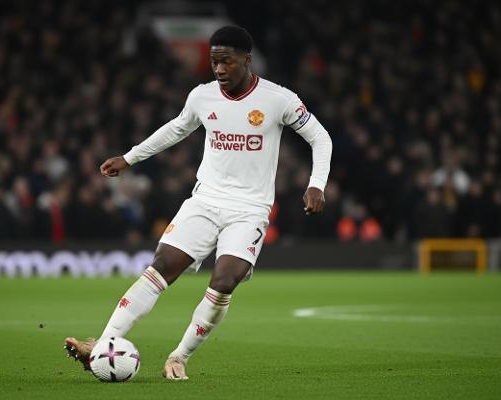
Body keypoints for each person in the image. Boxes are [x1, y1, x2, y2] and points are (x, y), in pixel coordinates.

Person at [64, 26, 333, 380]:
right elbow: (176, 128)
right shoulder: (202, 96)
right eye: (214, 61)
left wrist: (316, 185)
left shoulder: (278, 99)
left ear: (247, 59)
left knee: (225, 280)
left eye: (226, 61)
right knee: (162, 265)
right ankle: (101, 344)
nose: (219, 69)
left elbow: (320, 137)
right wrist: (130, 158)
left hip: (249, 209)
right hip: (204, 200)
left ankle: (179, 356)